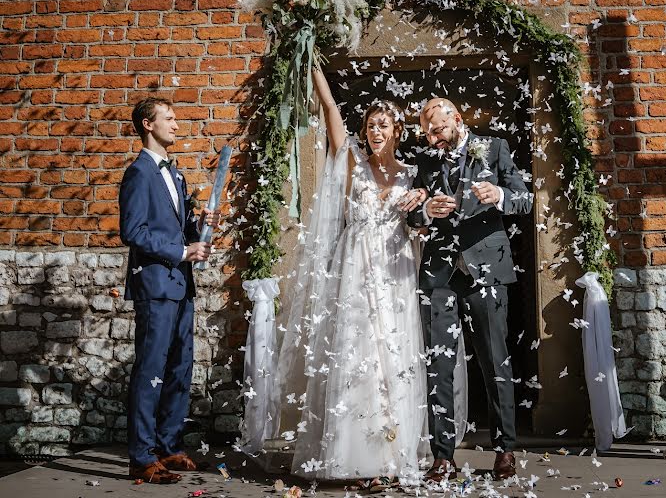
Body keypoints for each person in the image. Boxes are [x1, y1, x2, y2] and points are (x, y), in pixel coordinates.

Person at [239, 69, 467, 491]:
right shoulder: (352, 162)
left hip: (396, 270)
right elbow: (329, 109)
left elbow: (422, 225)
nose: (375, 131)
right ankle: (350, 453)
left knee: (393, 360)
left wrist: (421, 214)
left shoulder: (413, 173)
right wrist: (311, 62)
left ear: (397, 130)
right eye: (369, 125)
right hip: (358, 272)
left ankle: (390, 454)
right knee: (356, 356)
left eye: (383, 125)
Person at [407, 98, 532, 482]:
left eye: (439, 129)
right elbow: (412, 213)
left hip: (487, 271)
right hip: (441, 274)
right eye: (428, 132)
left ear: (457, 120)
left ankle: (504, 450)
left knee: (496, 361)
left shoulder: (494, 148)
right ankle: (443, 457)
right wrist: (428, 212)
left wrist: (501, 197)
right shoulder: (426, 162)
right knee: (438, 365)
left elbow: (525, 200)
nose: (434, 137)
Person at [120, 97, 220, 483]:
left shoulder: (175, 175)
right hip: (156, 285)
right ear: (148, 124)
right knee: (151, 370)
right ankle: (142, 456)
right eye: (170, 119)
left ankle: (170, 445)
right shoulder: (139, 173)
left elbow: (180, 232)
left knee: (179, 368)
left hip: (182, 285)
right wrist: (181, 250)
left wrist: (198, 223)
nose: (177, 125)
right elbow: (133, 231)